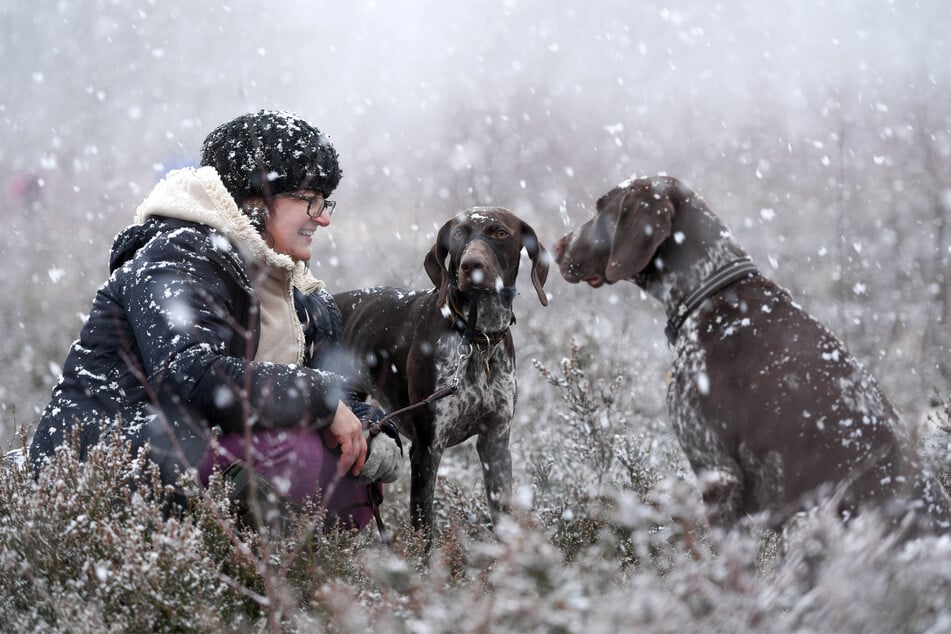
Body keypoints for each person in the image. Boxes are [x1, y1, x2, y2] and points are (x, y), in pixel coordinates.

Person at [29, 109, 401, 531]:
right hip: (117, 452)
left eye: (325, 201)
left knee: (346, 473)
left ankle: (273, 575)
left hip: (198, 449)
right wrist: (321, 404)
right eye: (310, 199)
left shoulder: (301, 294)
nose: (324, 217)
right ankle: (211, 562)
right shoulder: (175, 255)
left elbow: (336, 393)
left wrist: (369, 429)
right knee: (300, 453)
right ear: (255, 198)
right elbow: (191, 377)